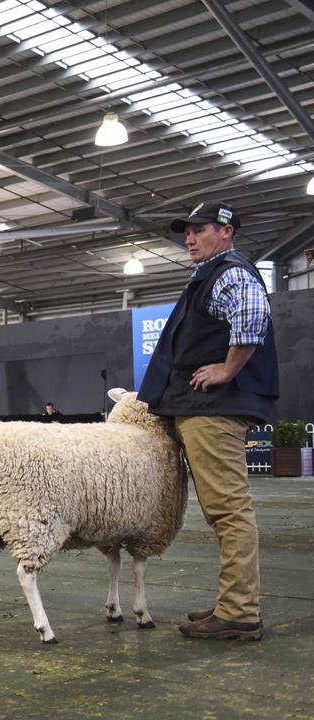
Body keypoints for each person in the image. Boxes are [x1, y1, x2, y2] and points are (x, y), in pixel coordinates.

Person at [138, 201, 277, 641]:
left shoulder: (230, 271)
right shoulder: (211, 274)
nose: (189, 238)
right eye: (189, 231)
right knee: (226, 510)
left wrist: (227, 369)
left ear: (226, 231)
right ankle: (233, 602)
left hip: (214, 408)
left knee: (229, 510)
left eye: (199, 230)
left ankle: (238, 612)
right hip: (202, 407)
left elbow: (253, 314)